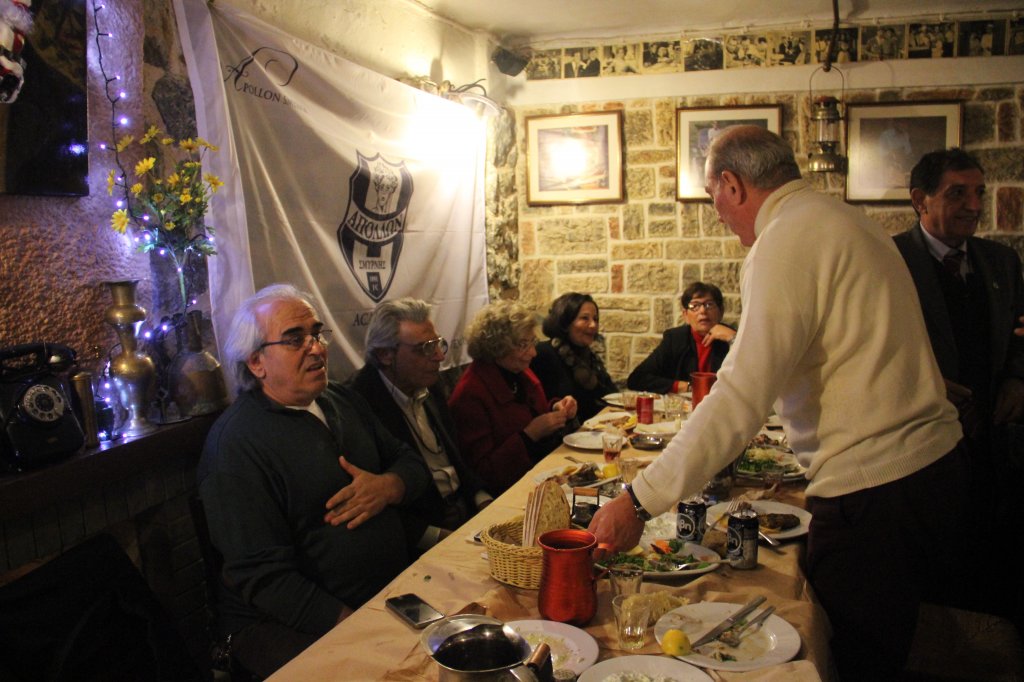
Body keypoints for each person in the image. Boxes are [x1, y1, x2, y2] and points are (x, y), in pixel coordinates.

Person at [589, 126, 969, 682]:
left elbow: (739, 395)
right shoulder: (842, 219)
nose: (717, 213)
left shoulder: (787, 238)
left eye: (713, 197)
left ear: (732, 184)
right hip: (925, 473)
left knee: (851, 658)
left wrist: (638, 500)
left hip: (878, 490)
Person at [197, 284, 429, 677]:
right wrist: (359, 628)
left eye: (317, 334)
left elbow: (411, 463)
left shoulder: (341, 399)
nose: (317, 348)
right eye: (295, 339)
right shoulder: (236, 446)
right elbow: (263, 579)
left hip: (389, 591)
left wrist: (388, 487)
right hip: (298, 623)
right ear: (256, 362)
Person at [894, 149, 1024, 624]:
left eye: (978, 193)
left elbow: (1019, 332)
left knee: (990, 561)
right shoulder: (891, 260)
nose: (973, 205)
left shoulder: (1001, 261)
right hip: (920, 445)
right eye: (957, 194)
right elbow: (868, 343)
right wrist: (922, 381)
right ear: (920, 200)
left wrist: (1017, 378)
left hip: (992, 439)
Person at [348, 298, 492, 555]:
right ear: (385, 355)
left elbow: (456, 457)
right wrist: (439, 538)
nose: (439, 356)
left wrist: (483, 500)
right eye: (425, 349)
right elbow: (377, 504)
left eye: (437, 344)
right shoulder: (358, 403)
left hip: (465, 512)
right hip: (421, 538)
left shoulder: (428, 383)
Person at [449, 301, 577, 496]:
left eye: (532, 342)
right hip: (508, 492)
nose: (533, 352)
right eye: (523, 345)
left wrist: (556, 408)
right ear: (497, 346)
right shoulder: (471, 394)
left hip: (540, 477)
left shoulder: (518, 372)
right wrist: (529, 436)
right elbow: (481, 473)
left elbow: (532, 413)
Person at [626, 282, 735, 394]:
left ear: (721, 311)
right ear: (685, 315)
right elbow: (637, 378)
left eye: (709, 304)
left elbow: (744, 382)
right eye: (695, 306)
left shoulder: (731, 337)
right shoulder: (675, 339)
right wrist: (687, 387)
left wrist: (734, 339)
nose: (702, 311)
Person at [531, 292, 617, 423]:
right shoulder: (543, 354)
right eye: (585, 318)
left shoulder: (589, 356)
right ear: (565, 323)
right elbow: (539, 405)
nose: (593, 325)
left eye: (595, 319)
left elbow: (612, 395)